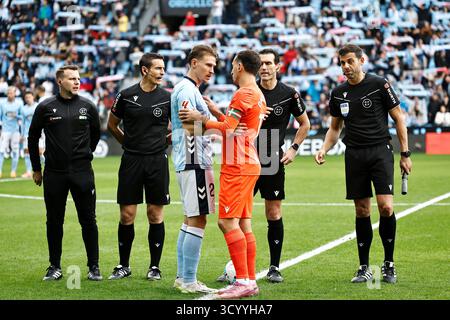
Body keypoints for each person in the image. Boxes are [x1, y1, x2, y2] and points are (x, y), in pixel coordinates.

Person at [314, 44, 412, 284]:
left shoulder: (379, 84)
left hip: (380, 151)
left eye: (349, 61)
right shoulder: (338, 93)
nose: (346, 67)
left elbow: (399, 117)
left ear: (362, 60)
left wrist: (405, 153)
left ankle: (389, 264)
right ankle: (364, 267)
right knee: (362, 210)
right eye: (342, 63)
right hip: (354, 154)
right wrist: (324, 148)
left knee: (386, 207)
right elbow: (335, 127)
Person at [180, 50, 267, 299]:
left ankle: (243, 282)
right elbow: (237, 125)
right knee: (243, 223)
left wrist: (201, 118)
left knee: (226, 222)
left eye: (231, 66)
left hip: (237, 165)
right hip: (248, 161)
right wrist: (218, 113)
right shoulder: (257, 95)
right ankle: (249, 279)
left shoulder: (243, 93)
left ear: (240, 66)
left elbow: (230, 130)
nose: (229, 70)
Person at [28, 65, 102, 281]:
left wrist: (85, 154)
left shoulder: (88, 106)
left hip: (82, 172)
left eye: (78, 78)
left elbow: (96, 135)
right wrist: (36, 168)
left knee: (88, 220)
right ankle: (54, 266)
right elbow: (32, 138)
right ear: (60, 82)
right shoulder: (45, 107)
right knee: (54, 221)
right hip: (54, 173)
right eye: (72, 79)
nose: (77, 82)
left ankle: (94, 267)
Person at [107, 53, 171, 281]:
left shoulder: (167, 97)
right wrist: (129, 144)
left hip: (157, 161)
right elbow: (111, 125)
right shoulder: (125, 96)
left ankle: (154, 267)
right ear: (145, 70)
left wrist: (166, 140)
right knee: (127, 214)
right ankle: (123, 265)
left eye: (163, 68)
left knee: (155, 214)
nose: (162, 72)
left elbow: (178, 127)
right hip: (131, 161)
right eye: (158, 68)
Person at [253, 48, 310, 282]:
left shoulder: (289, 93)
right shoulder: (248, 91)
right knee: (238, 214)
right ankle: (237, 268)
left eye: (268, 63)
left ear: (278, 66)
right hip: (247, 156)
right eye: (261, 64)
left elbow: (304, 124)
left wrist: (294, 148)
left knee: (273, 212)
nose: (264, 68)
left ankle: (274, 267)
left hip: (272, 155)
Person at [170, 45, 218, 294]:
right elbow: (189, 125)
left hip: (187, 161)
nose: (212, 70)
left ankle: (182, 277)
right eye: (208, 64)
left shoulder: (187, 88)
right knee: (198, 219)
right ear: (193, 63)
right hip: (194, 160)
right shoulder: (188, 89)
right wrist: (221, 129)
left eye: (214, 65)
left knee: (190, 219)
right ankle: (188, 280)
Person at [0, 86, 23, 178]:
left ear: (15, 93)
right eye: (9, 93)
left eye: (12, 92)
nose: (10, 94)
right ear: (7, 94)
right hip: (5, 131)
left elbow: (22, 117)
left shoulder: (19, 103)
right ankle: (0, 171)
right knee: (1, 151)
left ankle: (13, 171)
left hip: (15, 131)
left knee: (15, 151)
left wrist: (16, 116)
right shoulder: (2, 104)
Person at [21, 91, 38, 178]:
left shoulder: (38, 106)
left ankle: (46, 169)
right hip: (27, 133)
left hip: (38, 133)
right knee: (27, 152)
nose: (28, 99)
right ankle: (28, 171)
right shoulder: (23, 108)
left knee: (40, 152)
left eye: (29, 97)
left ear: (33, 97)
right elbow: (23, 123)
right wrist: (22, 134)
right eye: (26, 97)